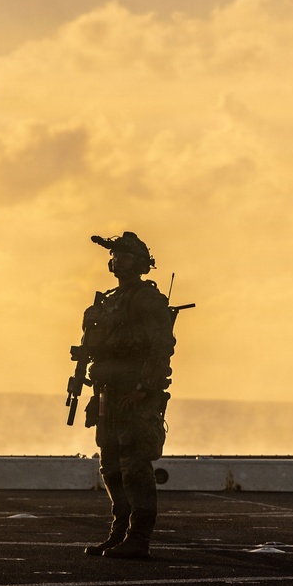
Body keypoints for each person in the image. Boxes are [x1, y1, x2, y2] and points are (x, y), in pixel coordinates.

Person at [81, 232, 175, 559]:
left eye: (125, 255)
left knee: (135, 466)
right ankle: (119, 532)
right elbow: (96, 349)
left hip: (134, 394)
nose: (117, 259)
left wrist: (144, 388)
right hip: (107, 392)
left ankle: (139, 539)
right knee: (110, 465)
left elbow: (162, 346)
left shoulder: (146, 299)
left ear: (140, 263)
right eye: (115, 255)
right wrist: (90, 327)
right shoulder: (110, 300)